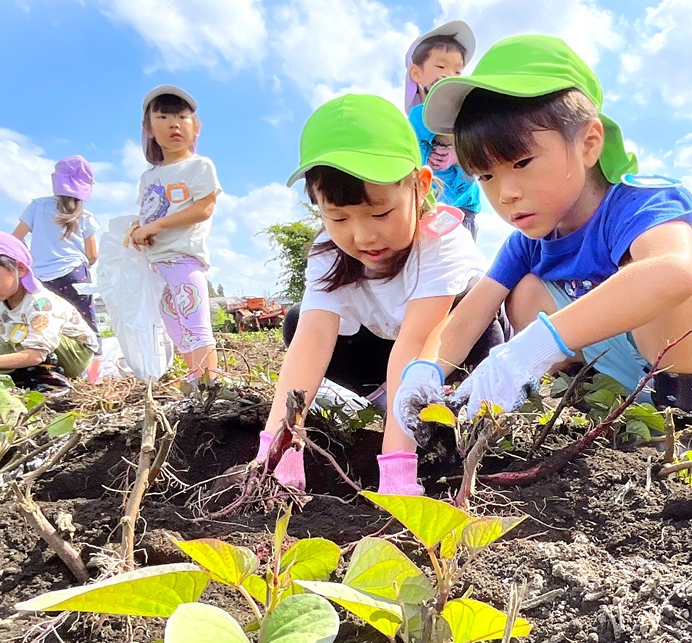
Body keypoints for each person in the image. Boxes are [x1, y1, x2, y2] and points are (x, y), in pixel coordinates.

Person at [396, 35, 692, 448]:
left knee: (652, 276)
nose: (505, 193)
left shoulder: (641, 203)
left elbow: (674, 272)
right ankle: (606, 412)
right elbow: (465, 319)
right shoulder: (530, 240)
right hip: (636, 376)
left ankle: (680, 432)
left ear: (588, 144)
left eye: (522, 162)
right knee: (523, 292)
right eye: (486, 176)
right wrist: (426, 370)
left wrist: (534, 348)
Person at [259, 94, 503, 495]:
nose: (363, 236)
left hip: (448, 355)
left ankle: (454, 413)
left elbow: (416, 342)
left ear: (420, 186)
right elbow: (313, 340)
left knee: (479, 313)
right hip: (385, 354)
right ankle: (392, 404)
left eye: (380, 213)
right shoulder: (327, 252)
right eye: (338, 217)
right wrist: (278, 444)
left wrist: (396, 471)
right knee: (297, 321)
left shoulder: (441, 242)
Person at [130, 84, 221, 383]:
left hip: (183, 260)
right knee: (175, 327)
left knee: (196, 324)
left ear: (196, 127)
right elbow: (145, 214)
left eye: (182, 117)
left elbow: (204, 208)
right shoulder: (149, 177)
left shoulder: (198, 166)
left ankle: (211, 382)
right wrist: (136, 229)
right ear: (148, 128)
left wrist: (156, 226)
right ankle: (197, 379)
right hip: (156, 266)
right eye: (163, 117)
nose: (174, 123)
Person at [0, 231, 98, 392]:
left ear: (20, 268)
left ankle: (53, 386)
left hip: (72, 355)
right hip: (22, 347)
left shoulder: (40, 303)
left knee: (18, 335)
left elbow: (36, 355)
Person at [404, 21, 482, 239]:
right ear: (416, 74)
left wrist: (457, 154)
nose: (449, 74)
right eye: (440, 67)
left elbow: (480, 160)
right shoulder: (416, 117)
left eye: (457, 70)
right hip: (427, 213)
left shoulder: (469, 115)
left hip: (463, 211)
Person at [12, 156, 101, 340]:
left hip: (40, 278)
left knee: (47, 325)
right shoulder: (85, 215)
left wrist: (29, 259)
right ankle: (91, 363)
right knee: (85, 326)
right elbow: (92, 254)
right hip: (75, 273)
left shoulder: (37, 206)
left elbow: (15, 239)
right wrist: (87, 265)